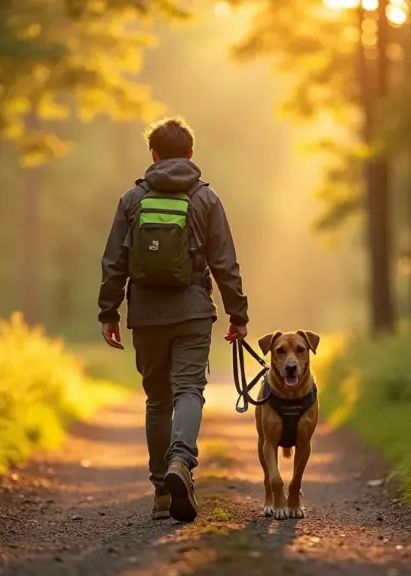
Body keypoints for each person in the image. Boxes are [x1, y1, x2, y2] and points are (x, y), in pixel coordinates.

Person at [97, 116, 249, 523]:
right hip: (193, 312)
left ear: (153, 154)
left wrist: (108, 312)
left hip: (145, 315)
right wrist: (239, 313)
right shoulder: (206, 199)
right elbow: (224, 262)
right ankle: (181, 461)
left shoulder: (132, 199)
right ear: (191, 154)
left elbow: (115, 262)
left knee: (157, 400)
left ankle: (163, 493)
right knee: (188, 390)